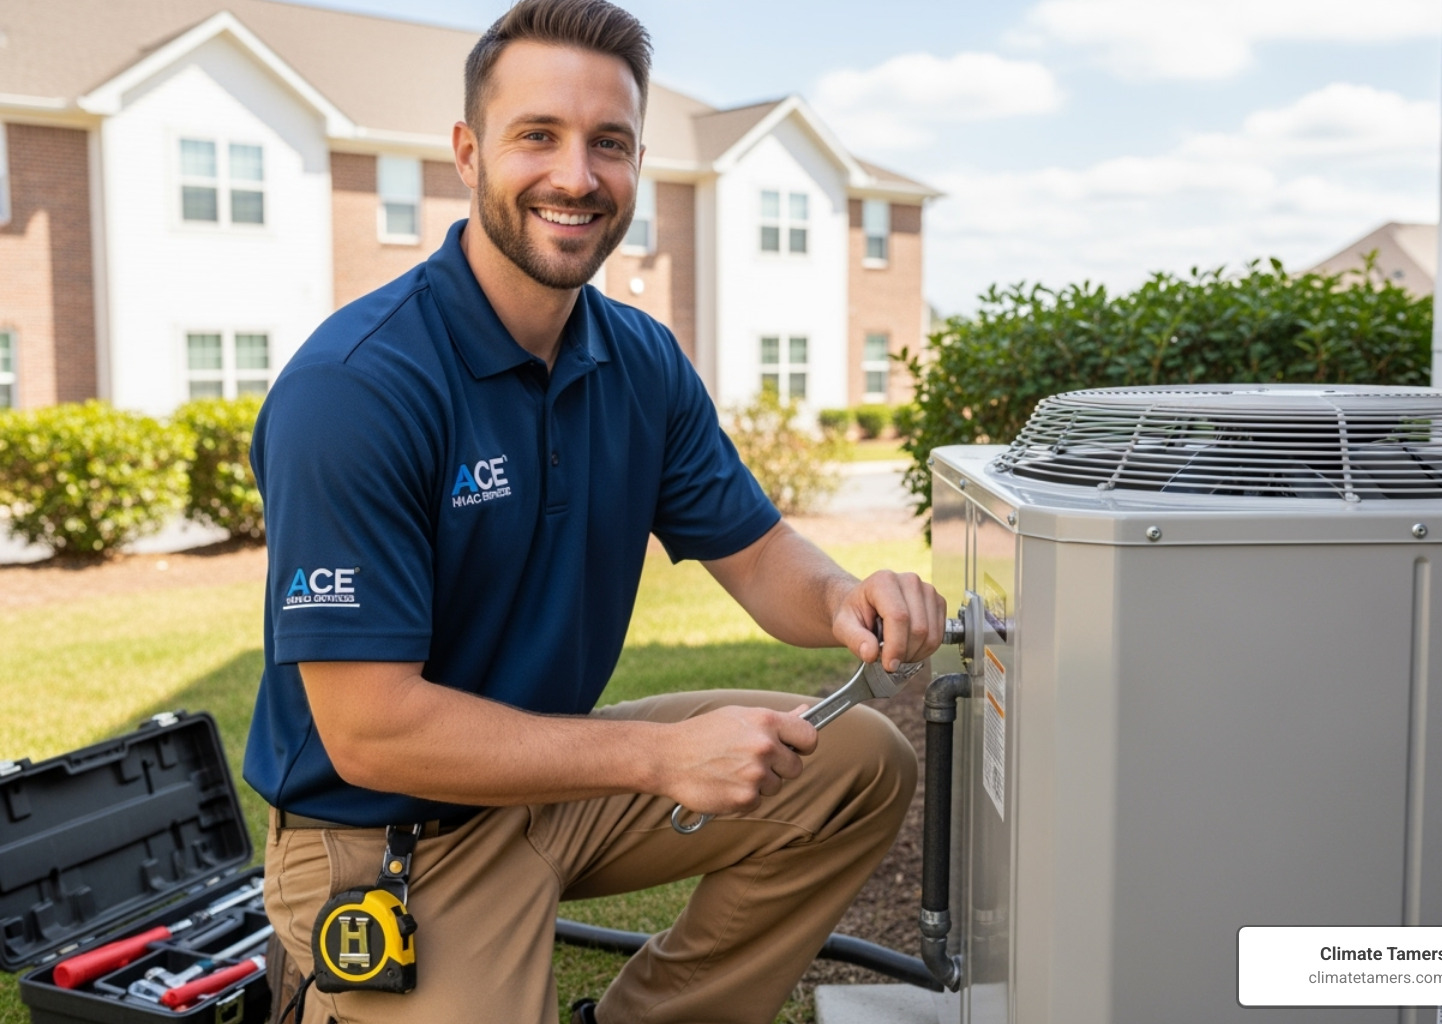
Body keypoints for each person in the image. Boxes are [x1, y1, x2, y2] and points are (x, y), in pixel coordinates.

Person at [244, 1, 945, 1021]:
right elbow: (372, 733)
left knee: (857, 764)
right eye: (539, 135)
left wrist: (846, 597)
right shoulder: (356, 389)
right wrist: (661, 758)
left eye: (608, 144)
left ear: (636, 163)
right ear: (467, 153)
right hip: (392, 835)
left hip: (552, 777)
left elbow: (754, 555)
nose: (576, 175)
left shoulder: (639, 359)